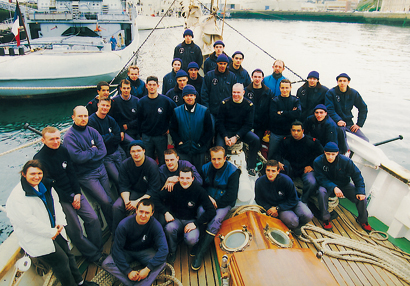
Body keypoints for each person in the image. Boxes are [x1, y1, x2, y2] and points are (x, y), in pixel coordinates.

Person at [6, 160, 98, 286]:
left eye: (39, 173)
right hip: (39, 236)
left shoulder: (45, 185)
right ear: (23, 174)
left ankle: (80, 282)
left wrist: (60, 222)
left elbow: (56, 204)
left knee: (69, 255)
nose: (36, 177)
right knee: (62, 262)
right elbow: (27, 222)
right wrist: (50, 232)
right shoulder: (17, 197)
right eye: (32, 174)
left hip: (55, 229)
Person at [34, 127, 104, 265]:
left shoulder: (63, 150)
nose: (56, 142)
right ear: (43, 140)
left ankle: (97, 249)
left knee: (93, 219)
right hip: (60, 198)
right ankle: (94, 255)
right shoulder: (39, 160)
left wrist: (77, 193)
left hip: (74, 192)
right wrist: (71, 198)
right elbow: (51, 186)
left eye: (58, 138)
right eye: (51, 139)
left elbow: (71, 172)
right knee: (75, 230)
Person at [63, 106, 114, 230]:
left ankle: (115, 225)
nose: (83, 118)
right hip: (86, 175)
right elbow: (77, 158)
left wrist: (89, 154)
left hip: (101, 169)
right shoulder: (69, 137)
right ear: (73, 117)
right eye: (80, 116)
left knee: (110, 199)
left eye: (85, 116)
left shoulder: (92, 131)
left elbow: (103, 151)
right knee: (105, 201)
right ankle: (114, 228)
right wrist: (93, 150)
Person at [152, 167, 216, 264]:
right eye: (182, 178)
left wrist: (196, 223)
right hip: (176, 219)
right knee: (169, 229)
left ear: (192, 179)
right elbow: (155, 198)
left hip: (191, 220)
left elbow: (211, 210)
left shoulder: (199, 191)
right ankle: (172, 251)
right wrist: (165, 212)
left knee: (191, 239)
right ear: (178, 178)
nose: (184, 181)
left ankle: (193, 244)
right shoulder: (173, 188)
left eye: (187, 178)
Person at [102, 199, 168, 286]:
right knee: (106, 263)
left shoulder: (156, 226)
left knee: (161, 264)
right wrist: (128, 272)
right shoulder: (124, 225)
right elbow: (117, 249)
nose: (143, 215)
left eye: (147, 213)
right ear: (136, 210)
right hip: (126, 251)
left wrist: (147, 269)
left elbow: (164, 249)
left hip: (145, 251)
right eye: (141, 211)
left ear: (152, 213)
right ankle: (137, 284)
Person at [194, 147, 240, 269]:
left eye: (219, 159)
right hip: (208, 199)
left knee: (216, 219)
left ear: (225, 158)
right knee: (199, 211)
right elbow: (200, 187)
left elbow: (231, 196)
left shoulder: (233, 172)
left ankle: (200, 253)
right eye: (214, 159)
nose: (217, 162)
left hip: (224, 202)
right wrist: (207, 198)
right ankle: (200, 240)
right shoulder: (205, 168)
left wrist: (216, 205)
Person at [313, 142, 372, 232]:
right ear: (324, 152)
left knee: (361, 198)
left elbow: (357, 176)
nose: (330, 157)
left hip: (343, 185)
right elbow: (321, 179)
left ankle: (362, 220)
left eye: (333, 154)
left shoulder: (346, 161)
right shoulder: (318, 161)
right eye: (328, 154)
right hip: (327, 185)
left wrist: (360, 191)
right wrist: (334, 187)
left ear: (337, 153)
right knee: (321, 192)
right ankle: (325, 218)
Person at [112, 140, 161, 234]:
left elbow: (154, 189)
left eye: (138, 150)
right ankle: (116, 234)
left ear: (144, 151)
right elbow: (123, 185)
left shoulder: (151, 165)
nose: (136, 154)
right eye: (133, 151)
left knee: (149, 213)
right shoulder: (125, 164)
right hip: (133, 193)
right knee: (117, 207)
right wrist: (127, 202)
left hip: (149, 195)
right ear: (130, 152)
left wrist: (137, 203)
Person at [255, 160, 313, 235]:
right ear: (265, 170)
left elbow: (294, 199)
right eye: (268, 170)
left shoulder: (286, 180)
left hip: (290, 202)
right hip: (276, 206)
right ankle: (294, 226)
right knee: (293, 221)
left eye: (273, 171)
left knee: (308, 215)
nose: (270, 174)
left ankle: (297, 226)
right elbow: (259, 199)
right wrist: (269, 208)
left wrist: (278, 208)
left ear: (278, 171)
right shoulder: (259, 182)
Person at [216, 83, 259, 176]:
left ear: (243, 92)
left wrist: (236, 137)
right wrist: (225, 137)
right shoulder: (225, 103)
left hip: (240, 131)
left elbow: (248, 125)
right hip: (226, 130)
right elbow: (219, 123)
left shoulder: (249, 105)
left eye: (238, 92)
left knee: (255, 140)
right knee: (219, 148)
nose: (235, 95)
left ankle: (251, 166)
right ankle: (221, 169)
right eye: (234, 92)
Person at [276, 121, 324, 203]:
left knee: (311, 182)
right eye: (293, 130)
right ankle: (285, 198)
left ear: (303, 131)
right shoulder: (285, 141)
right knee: (279, 177)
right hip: (290, 168)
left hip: (305, 168)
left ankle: (303, 200)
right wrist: (279, 162)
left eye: (298, 131)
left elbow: (322, 156)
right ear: (290, 131)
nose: (295, 133)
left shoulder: (312, 142)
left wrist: (312, 166)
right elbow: (277, 153)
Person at [169, 85, 213, 171]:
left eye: (191, 95)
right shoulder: (177, 111)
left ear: (195, 96)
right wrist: (179, 142)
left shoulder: (204, 111)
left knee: (200, 173)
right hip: (183, 150)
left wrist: (201, 143)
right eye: (187, 95)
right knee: (184, 174)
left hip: (199, 149)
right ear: (183, 97)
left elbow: (209, 131)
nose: (189, 97)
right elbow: (173, 129)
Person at [137, 76, 176, 166]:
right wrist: (141, 135)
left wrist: (169, 128)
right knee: (147, 159)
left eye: (154, 85)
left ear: (158, 86)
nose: (152, 87)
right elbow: (139, 120)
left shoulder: (166, 101)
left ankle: (162, 177)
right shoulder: (141, 102)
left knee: (163, 159)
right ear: (146, 86)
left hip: (161, 136)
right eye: (150, 85)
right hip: (147, 136)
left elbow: (174, 114)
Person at [88, 98, 123, 190]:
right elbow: (96, 141)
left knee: (125, 175)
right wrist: (111, 135)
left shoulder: (110, 119)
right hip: (106, 156)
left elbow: (118, 137)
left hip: (116, 152)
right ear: (98, 105)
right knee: (119, 179)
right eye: (103, 105)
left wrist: (105, 137)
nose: (105, 107)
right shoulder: (91, 121)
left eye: (107, 106)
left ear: (110, 107)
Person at [325, 73, 369, 141]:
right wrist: (338, 120)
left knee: (365, 140)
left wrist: (359, 124)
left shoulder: (353, 93)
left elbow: (363, 108)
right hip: (335, 122)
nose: (342, 83)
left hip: (349, 122)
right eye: (340, 81)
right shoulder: (331, 93)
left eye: (344, 81)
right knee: (342, 139)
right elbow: (329, 109)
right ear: (337, 82)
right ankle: (344, 150)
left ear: (348, 82)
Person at [268, 79, 301, 160]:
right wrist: (290, 114)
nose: (284, 90)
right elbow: (274, 117)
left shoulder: (295, 100)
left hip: (290, 134)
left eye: (287, 88)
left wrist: (282, 113)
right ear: (279, 88)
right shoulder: (275, 100)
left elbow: (298, 114)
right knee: (271, 156)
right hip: (276, 133)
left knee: (291, 157)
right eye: (282, 88)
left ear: (290, 88)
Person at [201, 54, 237, 123]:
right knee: (212, 130)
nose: (222, 66)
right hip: (212, 111)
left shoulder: (232, 77)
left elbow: (235, 94)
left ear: (227, 64)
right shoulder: (209, 75)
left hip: (226, 112)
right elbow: (204, 93)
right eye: (220, 63)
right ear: (217, 63)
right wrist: (207, 109)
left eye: (224, 64)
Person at [244, 68, 275, 141]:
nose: (257, 79)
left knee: (258, 143)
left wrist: (268, 125)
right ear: (252, 77)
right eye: (255, 77)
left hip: (262, 124)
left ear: (262, 78)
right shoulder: (246, 91)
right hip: (248, 123)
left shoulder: (268, 92)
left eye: (259, 77)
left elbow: (271, 109)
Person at [110, 79, 140, 145]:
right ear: (120, 88)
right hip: (123, 130)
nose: (126, 90)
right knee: (135, 144)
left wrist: (128, 125)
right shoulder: (115, 101)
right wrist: (121, 130)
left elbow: (140, 118)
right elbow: (113, 118)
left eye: (128, 88)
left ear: (130, 88)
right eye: (124, 88)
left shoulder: (136, 101)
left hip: (134, 129)